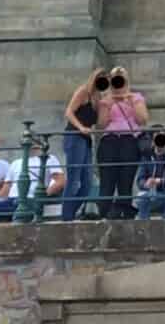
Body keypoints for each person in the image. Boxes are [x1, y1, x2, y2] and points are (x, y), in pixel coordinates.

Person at [97, 66, 148, 219]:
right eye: (115, 78)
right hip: (109, 141)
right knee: (107, 181)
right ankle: (104, 213)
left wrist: (131, 101)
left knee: (126, 181)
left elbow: (142, 120)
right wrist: (108, 103)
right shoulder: (105, 99)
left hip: (129, 141)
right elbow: (101, 124)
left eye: (121, 78)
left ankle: (125, 214)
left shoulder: (136, 97)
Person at [62, 67, 109, 220]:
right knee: (73, 179)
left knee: (87, 183)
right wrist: (81, 127)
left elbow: (101, 123)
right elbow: (69, 112)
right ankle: (67, 216)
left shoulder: (98, 98)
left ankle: (69, 212)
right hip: (74, 136)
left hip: (86, 140)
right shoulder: (84, 92)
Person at [0, 138, 65, 222]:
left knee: (19, 217)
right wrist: (0, 199)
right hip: (12, 199)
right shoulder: (16, 162)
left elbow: (60, 181)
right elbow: (7, 186)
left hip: (30, 198)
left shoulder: (49, 158)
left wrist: (42, 196)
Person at [135, 131, 165, 220]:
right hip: (154, 193)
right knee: (140, 197)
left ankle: (164, 225)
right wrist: (145, 184)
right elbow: (140, 179)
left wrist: (162, 181)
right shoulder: (147, 156)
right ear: (153, 142)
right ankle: (144, 227)